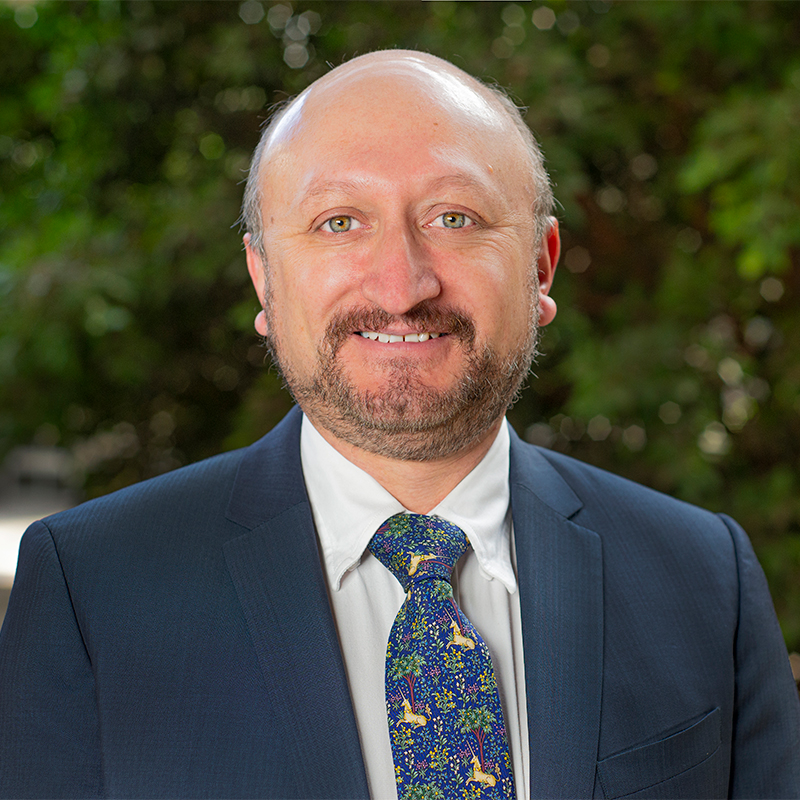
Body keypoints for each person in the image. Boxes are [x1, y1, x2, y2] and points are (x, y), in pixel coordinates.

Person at [0, 49, 798, 800]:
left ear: (541, 266)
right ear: (264, 279)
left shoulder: (706, 579)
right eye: (338, 222)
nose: (402, 285)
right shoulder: (92, 588)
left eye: (455, 218)